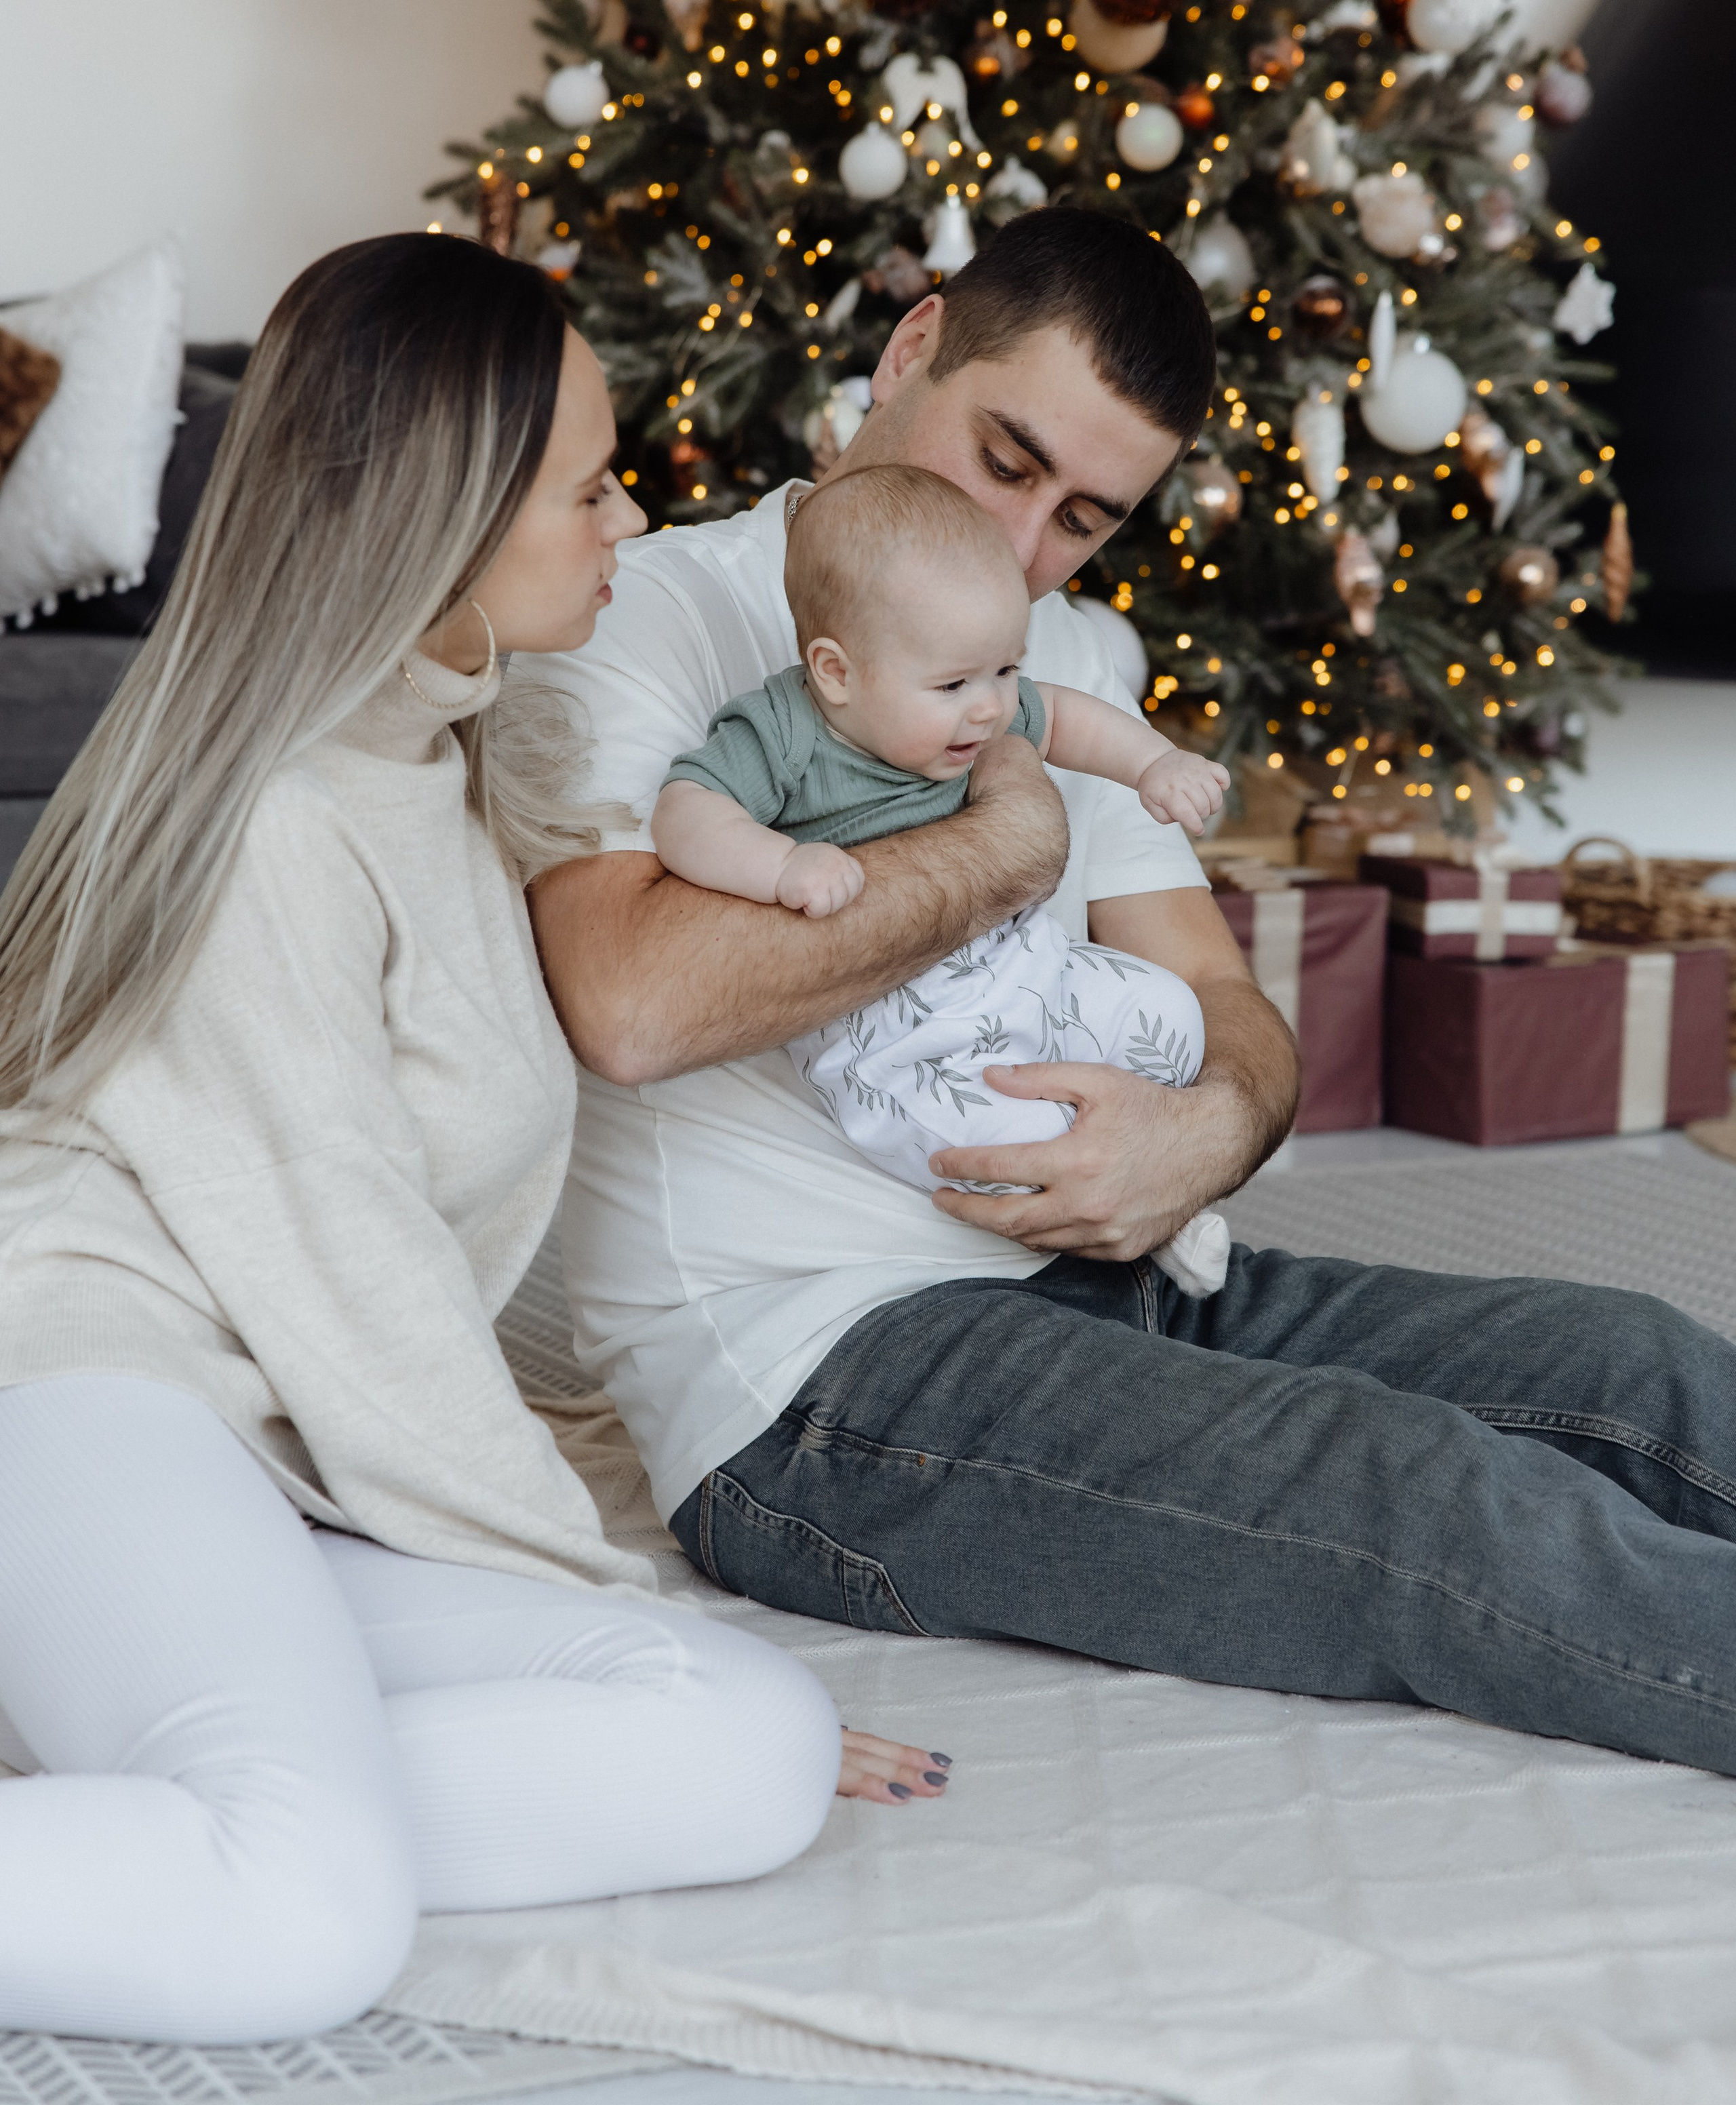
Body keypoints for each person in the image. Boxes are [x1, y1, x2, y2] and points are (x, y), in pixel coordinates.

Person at [532, 202, 1736, 1783]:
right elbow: (629, 1000)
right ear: (911, 351)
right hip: (818, 1387)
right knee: (1420, 1490)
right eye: (1003, 459)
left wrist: (1203, 1133)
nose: (1023, 553)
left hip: (1125, 1266)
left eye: (1084, 520)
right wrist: (1004, 840)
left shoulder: (1059, 667)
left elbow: (1228, 1013)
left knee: (1630, 1363)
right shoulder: (649, 615)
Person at [0, 234, 944, 2049]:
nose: (627, 521)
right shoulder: (276, 821)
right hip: (79, 1395)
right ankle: (236, 1817)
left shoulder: (440, 759)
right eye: (591, 486)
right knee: (294, 1922)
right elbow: (352, 1272)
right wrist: (574, 1585)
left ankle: (166, 1777)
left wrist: (635, 1643)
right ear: (442, 521)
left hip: (262, 1459)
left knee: (753, 1742)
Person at [650, 462, 1233, 1297]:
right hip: (891, 1030)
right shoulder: (782, 729)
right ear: (836, 672)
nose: (992, 707)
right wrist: (779, 864)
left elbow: (1063, 716)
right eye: (956, 683)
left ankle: (1149, 1186)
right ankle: (1151, 1229)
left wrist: (1154, 763)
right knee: (997, 1142)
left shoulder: (983, 703)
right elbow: (685, 810)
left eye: (1004, 669)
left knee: (1170, 1016)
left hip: (1023, 963)